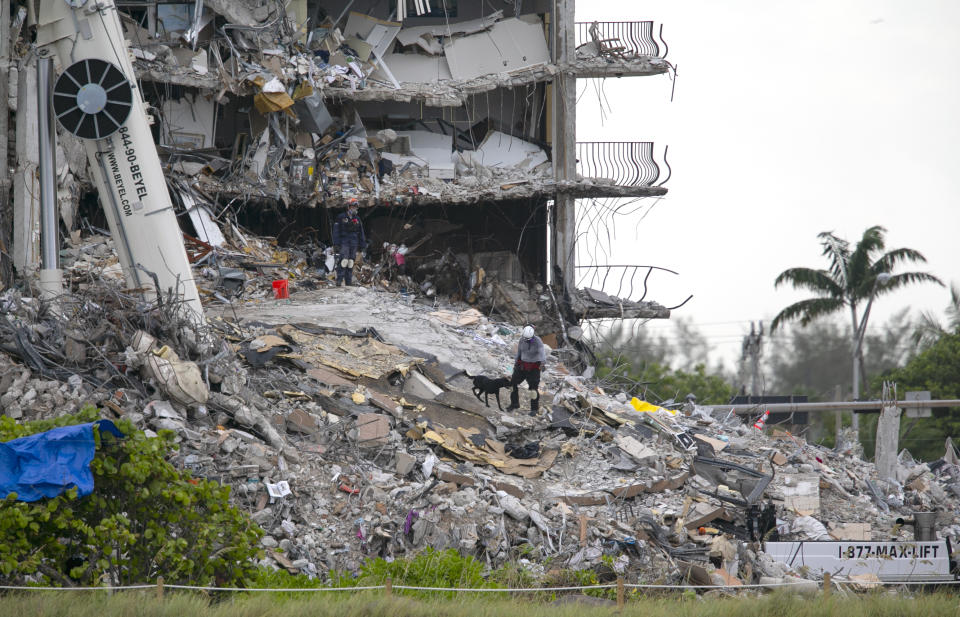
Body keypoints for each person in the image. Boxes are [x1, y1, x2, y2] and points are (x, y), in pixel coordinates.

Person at [507, 325, 547, 415]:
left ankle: (534, 409)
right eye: (525, 338)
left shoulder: (538, 341)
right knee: (512, 384)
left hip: (534, 369)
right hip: (522, 366)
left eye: (528, 339)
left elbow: (542, 353)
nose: (527, 340)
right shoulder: (522, 340)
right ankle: (514, 404)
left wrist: (543, 363)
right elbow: (519, 353)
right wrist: (515, 364)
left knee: (533, 390)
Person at [332, 202, 367, 286]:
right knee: (344, 261)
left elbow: (361, 232)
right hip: (344, 242)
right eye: (353, 207)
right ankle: (339, 280)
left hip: (354, 243)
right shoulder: (341, 217)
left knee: (351, 262)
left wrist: (363, 245)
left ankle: (348, 282)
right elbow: (336, 231)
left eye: (356, 207)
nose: (354, 209)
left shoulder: (357, 219)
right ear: (348, 207)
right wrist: (336, 243)